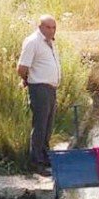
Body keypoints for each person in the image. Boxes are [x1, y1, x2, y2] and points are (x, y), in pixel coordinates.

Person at [17, 15, 61, 176]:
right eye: (48, 27)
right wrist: (28, 80)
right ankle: (36, 163)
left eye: (54, 27)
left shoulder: (50, 43)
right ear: (40, 27)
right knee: (40, 125)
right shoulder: (33, 42)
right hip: (39, 88)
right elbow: (22, 67)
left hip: (50, 88)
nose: (51, 30)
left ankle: (45, 157)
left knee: (48, 125)